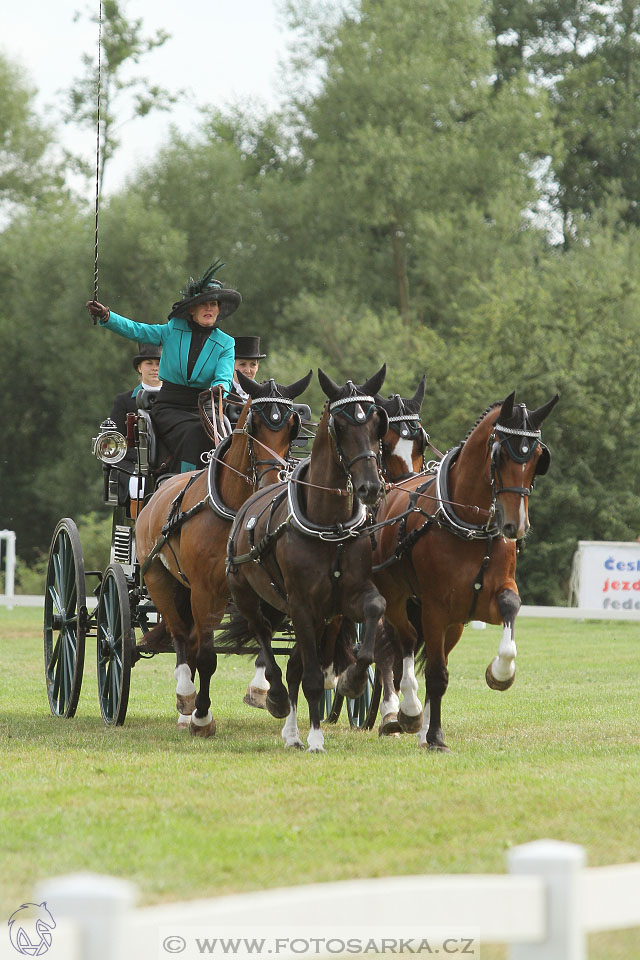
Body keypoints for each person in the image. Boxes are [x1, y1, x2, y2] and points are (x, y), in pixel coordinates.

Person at [86, 260, 241, 473]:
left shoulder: (226, 343)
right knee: (195, 433)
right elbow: (137, 330)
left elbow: (223, 376)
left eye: (213, 304)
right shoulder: (172, 330)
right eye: (204, 303)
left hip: (205, 409)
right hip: (171, 407)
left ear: (218, 310)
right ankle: (186, 484)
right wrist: (107, 316)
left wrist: (220, 388)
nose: (209, 308)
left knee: (227, 438)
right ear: (192, 309)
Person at [109, 342, 162, 436]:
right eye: (149, 363)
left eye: (159, 364)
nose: (154, 368)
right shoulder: (123, 401)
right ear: (139, 368)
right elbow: (117, 439)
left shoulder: (176, 399)